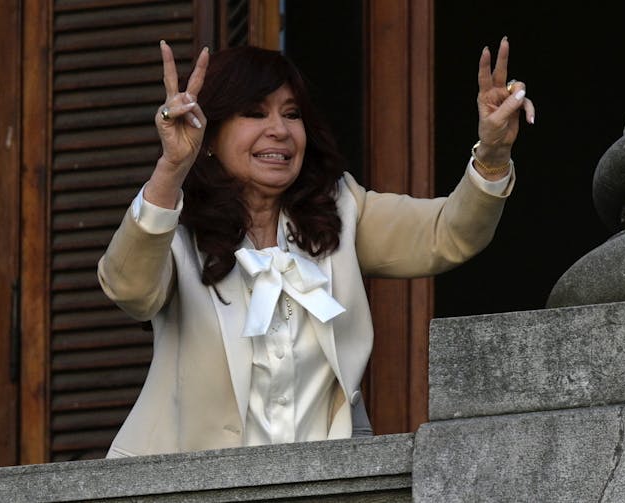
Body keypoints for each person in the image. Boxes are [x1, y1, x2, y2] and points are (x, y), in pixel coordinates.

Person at [98, 37, 535, 458]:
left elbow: (449, 233)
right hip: (190, 488)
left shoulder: (339, 208)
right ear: (208, 135)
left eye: (291, 114)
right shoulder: (170, 227)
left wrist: (492, 154)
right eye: (254, 113)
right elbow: (129, 290)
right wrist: (171, 169)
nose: (279, 131)